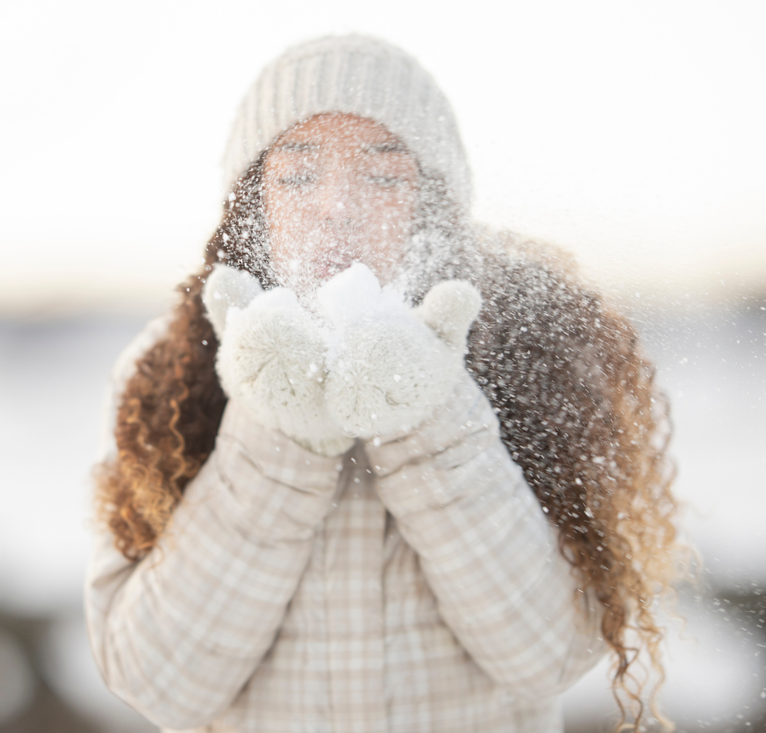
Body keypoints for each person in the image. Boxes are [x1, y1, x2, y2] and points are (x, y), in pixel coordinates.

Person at [85, 35, 684, 733]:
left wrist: (426, 413)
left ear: (432, 206)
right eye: (299, 177)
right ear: (251, 205)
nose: (338, 207)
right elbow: (153, 681)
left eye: (383, 177)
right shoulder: (162, 377)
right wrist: (275, 432)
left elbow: (549, 657)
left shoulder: (529, 355)